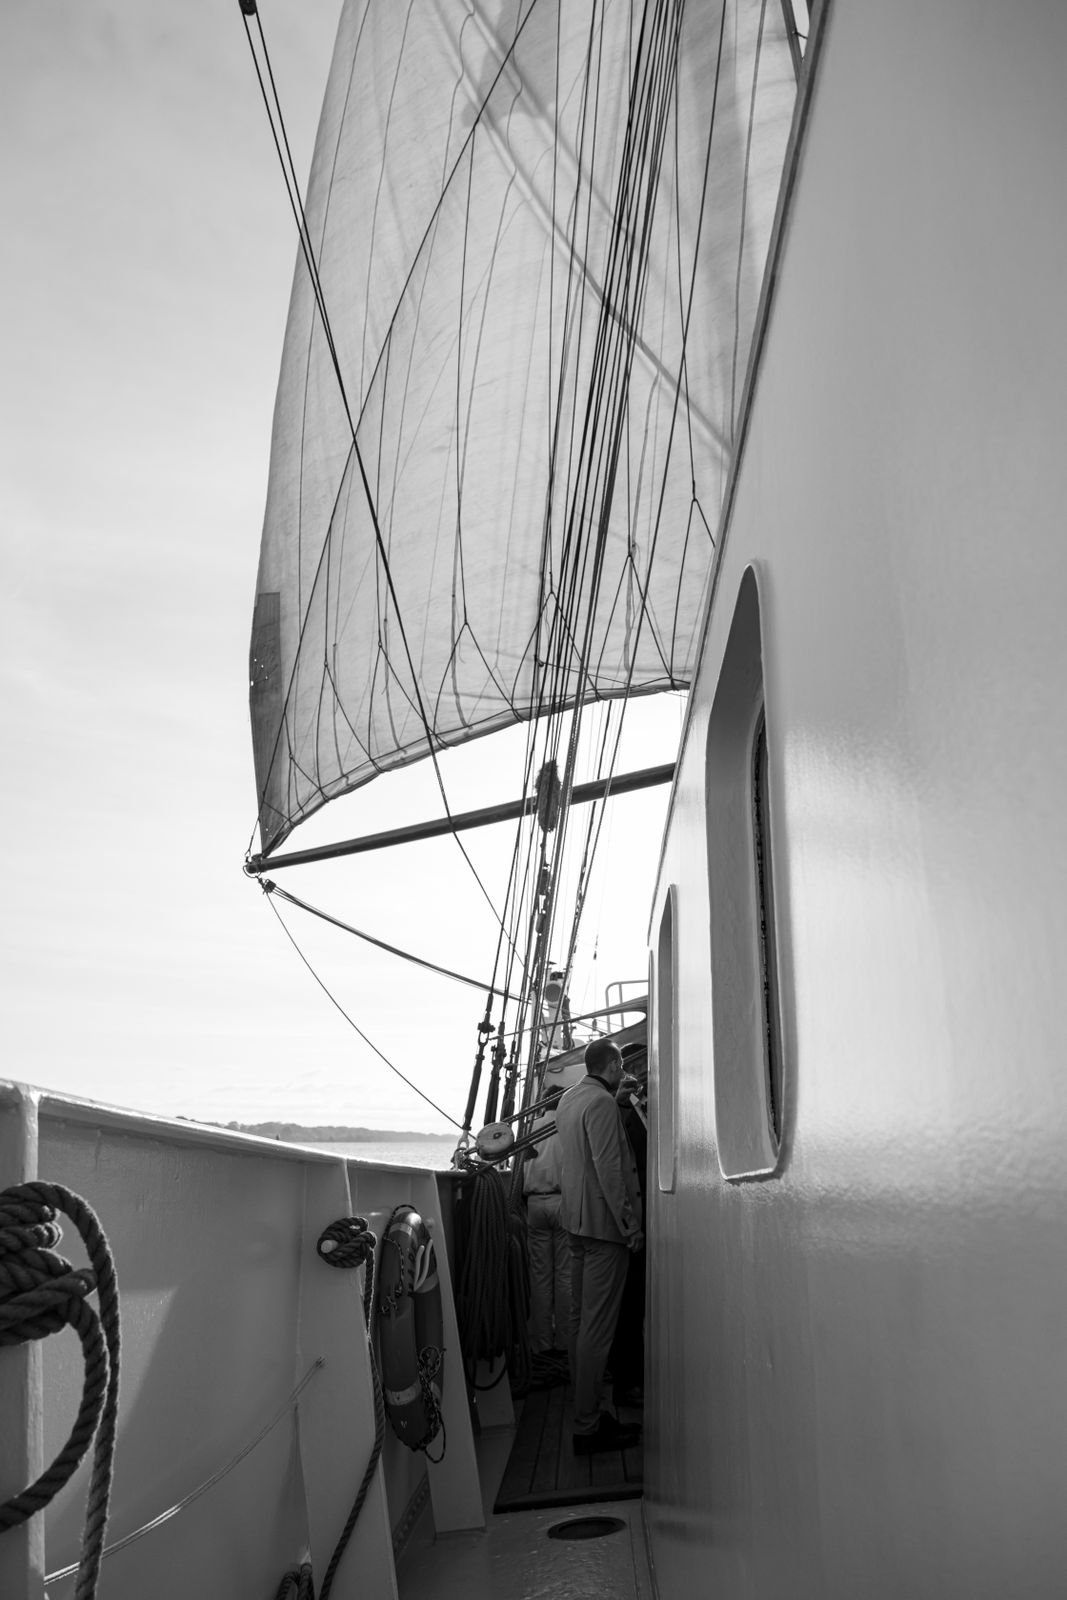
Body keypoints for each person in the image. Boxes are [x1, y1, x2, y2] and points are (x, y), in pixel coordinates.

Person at [555, 1038, 643, 1455]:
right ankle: (588, 1426)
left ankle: (586, 1412)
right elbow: (610, 1168)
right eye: (621, 1067)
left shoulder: (571, 1099)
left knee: (577, 1325)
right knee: (597, 1331)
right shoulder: (603, 1104)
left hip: (575, 1224)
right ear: (613, 1066)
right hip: (605, 1230)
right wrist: (631, 1225)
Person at [522, 1085, 571, 1366]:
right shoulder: (568, 1125)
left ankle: (541, 1342)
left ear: (542, 1103)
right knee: (564, 1275)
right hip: (562, 1202)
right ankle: (564, 1341)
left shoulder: (531, 1128)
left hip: (535, 1205)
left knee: (539, 1276)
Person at [607, 1067, 648, 1408]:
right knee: (630, 1303)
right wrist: (631, 1226)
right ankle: (628, 1380)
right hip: (633, 1221)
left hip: (631, 1220)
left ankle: (626, 1375)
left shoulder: (620, 1114)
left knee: (628, 1303)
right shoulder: (623, 1116)